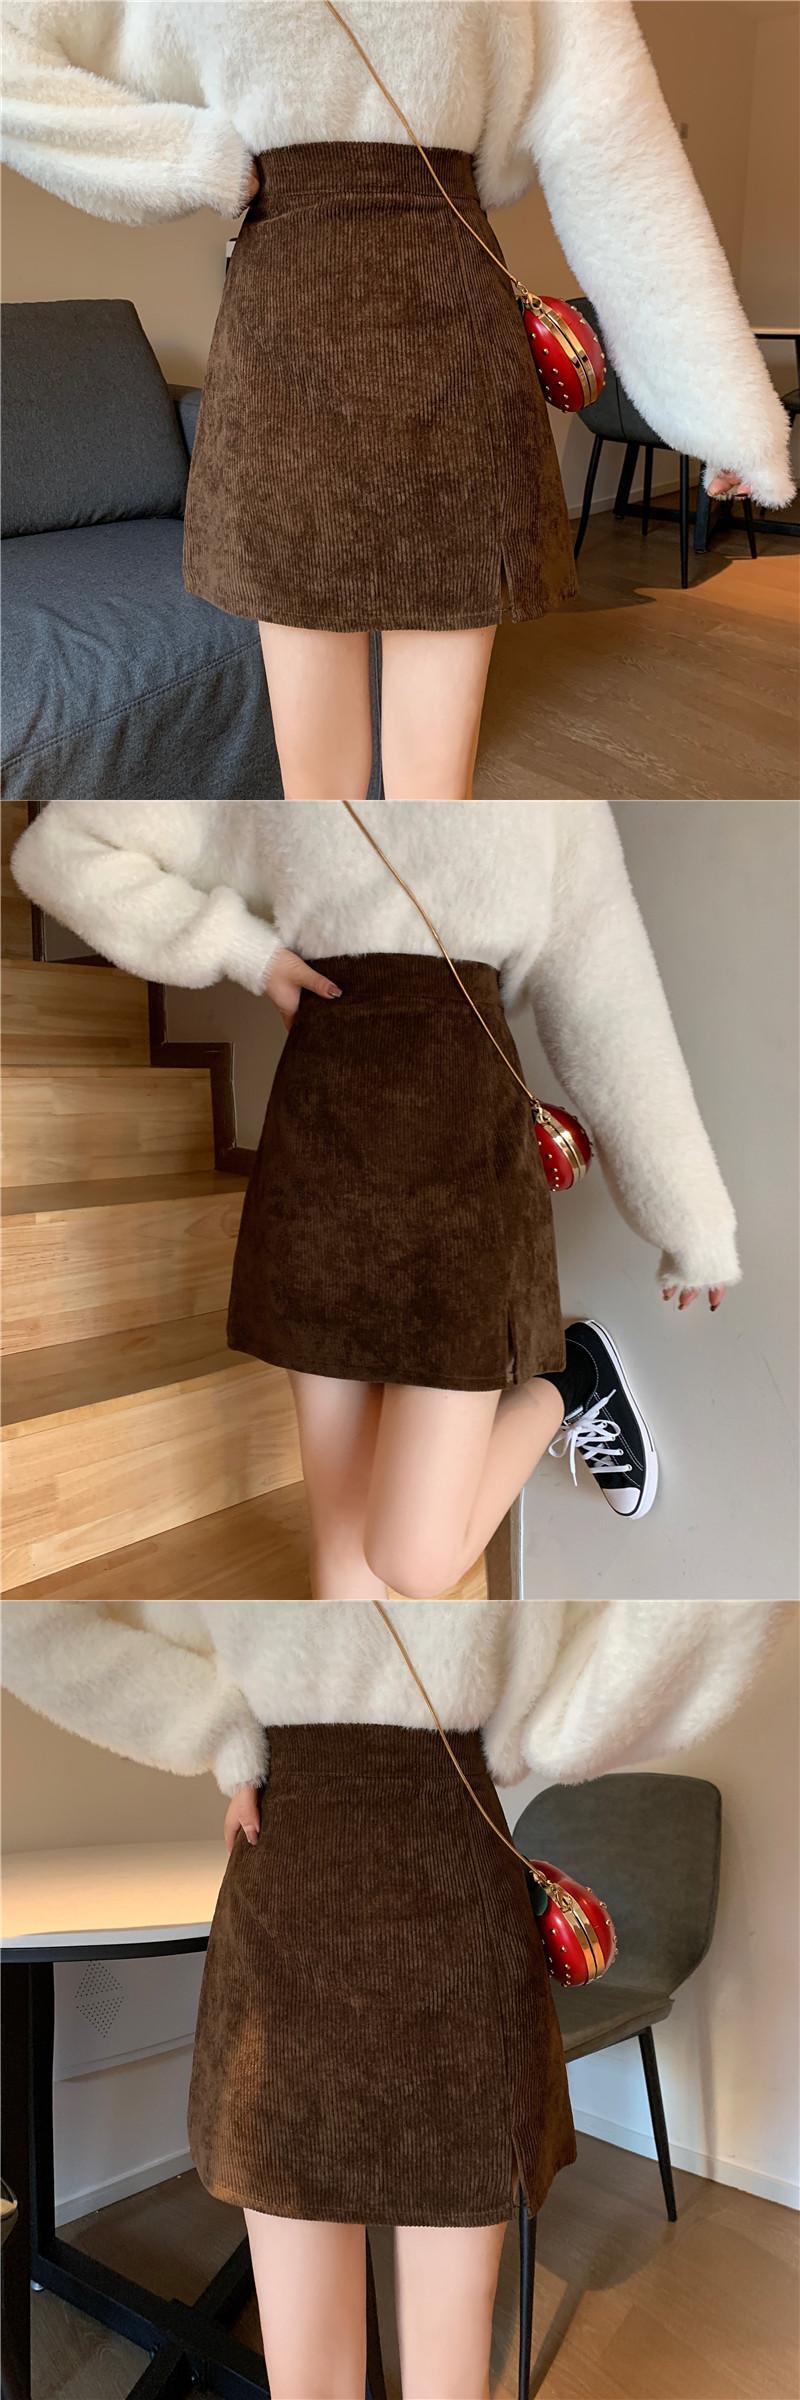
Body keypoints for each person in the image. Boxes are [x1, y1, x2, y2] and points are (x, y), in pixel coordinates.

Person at [0, 1593, 787, 2400]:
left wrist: (226, 1738)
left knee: (330, 2365)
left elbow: (30, 1621)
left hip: (334, 1870)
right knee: (429, 2357)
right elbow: (602, 1688)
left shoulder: (237, 1532)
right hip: (412, 1872)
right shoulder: (479, 1532)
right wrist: (232, 1744)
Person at [2, 1, 794, 800]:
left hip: (353, 317)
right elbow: (612, 138)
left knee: (365, 787)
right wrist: (184, 158)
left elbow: (610, 136)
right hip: (358, 322)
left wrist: (717, 407)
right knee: (391, 785)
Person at [12, 797, 740, 1600]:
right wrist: (244, 952)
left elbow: (608, 997)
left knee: (416, 1562)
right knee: (342, 1554)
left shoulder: (550, 799)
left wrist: (689, 1217)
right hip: (318, 1161)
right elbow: (63, 851)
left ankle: (571, 1380)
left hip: (465, 1176)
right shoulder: (278, 760)